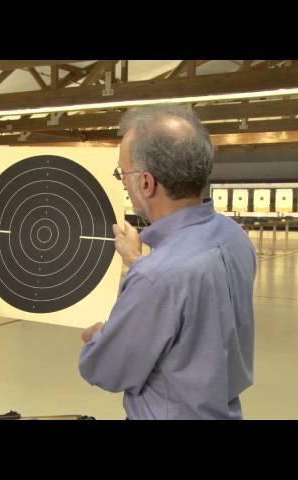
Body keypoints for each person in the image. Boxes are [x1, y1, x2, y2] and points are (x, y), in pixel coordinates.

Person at [78, 105, 256, 420]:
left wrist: (99, 339)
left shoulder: (155, 278)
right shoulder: (233, 236)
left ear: (146, 182)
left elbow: (107, 371)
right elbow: (195, 313)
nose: (124, 183)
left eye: (123, 173)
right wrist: (139, 262)